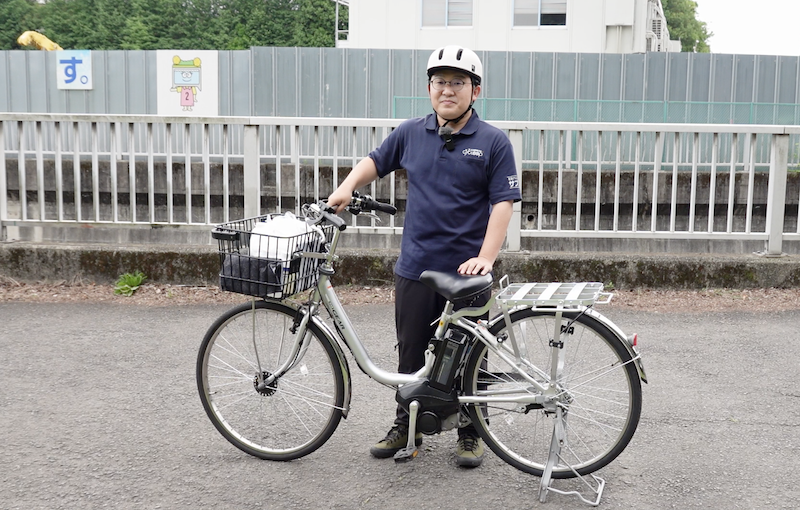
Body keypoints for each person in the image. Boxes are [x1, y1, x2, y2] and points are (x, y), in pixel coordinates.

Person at [326, 45, 521, 467]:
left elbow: (503, 203)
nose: (447, 90)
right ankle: (407, 428)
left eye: (457, 82)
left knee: (470, 356)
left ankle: (472, 431)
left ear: (475, 90)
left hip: (467, 272)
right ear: (429, 88)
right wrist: (346, 187)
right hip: (416, 266)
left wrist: (487, 257)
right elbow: (375, 161)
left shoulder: (493, 141)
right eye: (439, 82)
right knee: (411, 351)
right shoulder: (411, 132)